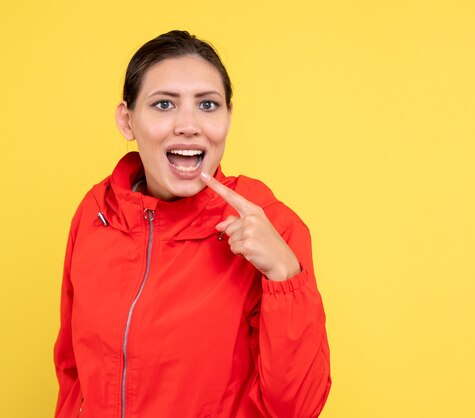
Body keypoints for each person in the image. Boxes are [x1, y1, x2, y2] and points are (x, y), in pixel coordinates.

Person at [53, 30, 331, 418]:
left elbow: (296, 408)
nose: (188, 125)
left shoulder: (268, 225)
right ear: (127, 119)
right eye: (164, 104)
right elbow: (72, 372)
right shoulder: (97, 213)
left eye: (208, 105)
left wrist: (284, 276)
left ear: (228, 118)